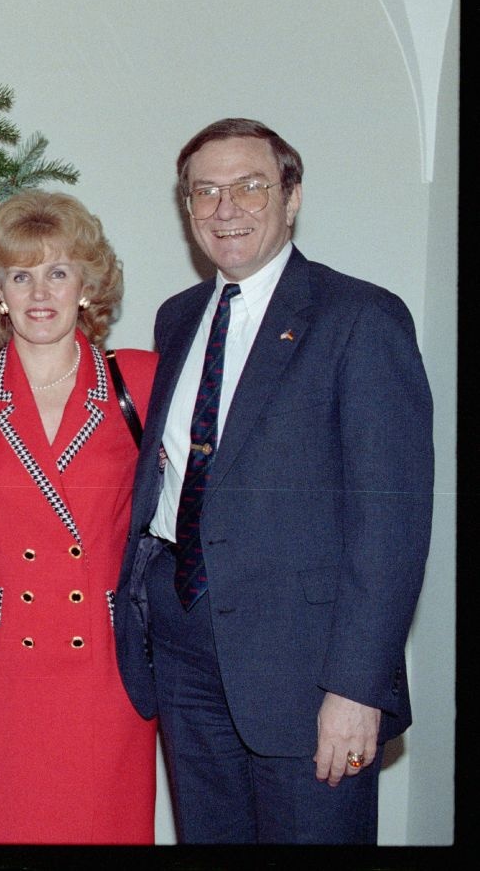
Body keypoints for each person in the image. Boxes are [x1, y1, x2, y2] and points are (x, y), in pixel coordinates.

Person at [114, 118, 433, 843]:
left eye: (250, 186)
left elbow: (391, 523)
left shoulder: (360, 318)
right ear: (188, 208)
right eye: (206, 191)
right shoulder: (179, 318)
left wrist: (356, 687)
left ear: (291, 198)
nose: (226, 207)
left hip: (307, 667)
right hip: (184, 651)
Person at [0, 191, 157, 843]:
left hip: (104, 674)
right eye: (20, 276)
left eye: (58, 271)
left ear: (87, 286)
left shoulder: (138, 381)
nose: (39, 291)